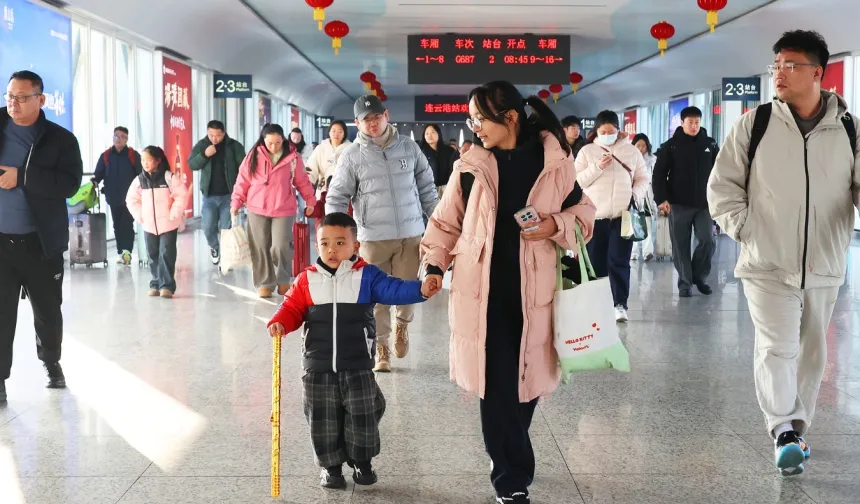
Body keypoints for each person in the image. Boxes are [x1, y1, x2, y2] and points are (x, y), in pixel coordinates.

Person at [422, 81, 596, 504]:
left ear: (510, 118)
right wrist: (433, 265)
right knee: (497, 385)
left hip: (537, 294)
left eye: (480, 119)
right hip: (483, 294)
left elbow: (585, 215)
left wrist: (553, 225)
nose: (474, 127)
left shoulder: (555, 162)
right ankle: (512, 478)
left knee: (527, 384)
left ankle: (506, 447)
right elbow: (445, 223)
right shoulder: (470, 166)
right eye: (471, 119)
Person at [708, 30, 860, 477]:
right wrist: (746, 230)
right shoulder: (754, 124)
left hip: (825, 263)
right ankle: (782, 430)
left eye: (791, 65)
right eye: (776, 64)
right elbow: (722, 188)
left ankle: (798, 426)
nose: (780, 73)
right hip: (766, 261)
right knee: (777, 347)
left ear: (818, 72)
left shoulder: (848, 128)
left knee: (812, 351)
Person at [267, 212, 440, 489]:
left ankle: (362, 462)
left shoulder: (367, 276)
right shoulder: (306, 280)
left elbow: (394, 289)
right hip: (317, 366)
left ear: (355, 246)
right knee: (322, 419)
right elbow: (290, 308)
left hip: (357, 363)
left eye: (339, 243)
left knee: (363, 415)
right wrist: (279, 322)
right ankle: (331, 468)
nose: (331, 250)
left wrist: (422, 289)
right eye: (324, 244)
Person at [326, 95, 438, 372]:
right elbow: (338, 196)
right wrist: (336, 235)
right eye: (366, 120)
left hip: (411, 233)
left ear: (386, 115)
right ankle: (382, 346)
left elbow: (427, 188)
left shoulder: (409, 148)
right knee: (375, 295)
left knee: (410, 288)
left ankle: (402, 326)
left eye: (376, 117)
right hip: (372, 237)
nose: (373, 124)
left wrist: (437, 223)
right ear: (357, 123)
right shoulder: (351, 156)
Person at [0, 70, 83, 401]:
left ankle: (51, 362)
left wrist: (22, 177)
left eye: (22, 97)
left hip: (40, 243)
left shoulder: (61, 140)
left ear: (41, 99)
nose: (13, 104)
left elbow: (69, 184)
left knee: (48, 311)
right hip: (1, 242)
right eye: (9, 96)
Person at [574, 110, 648, 322]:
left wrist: (635, 194)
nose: (607, 134)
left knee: (619, 260)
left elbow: (643, 178)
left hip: (622, 216)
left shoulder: (631, 152)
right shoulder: (587, 152)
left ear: (618, 130)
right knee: (594, 262)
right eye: (603, 131)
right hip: (594, 217)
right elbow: (577, 181)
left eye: (612, 131)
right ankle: (594, 304)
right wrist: (598, 167)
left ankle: (619, 304)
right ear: (596, 131)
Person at [232, 123, 316, 298]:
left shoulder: (293, 157)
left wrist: (310, 200)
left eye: (277, 142)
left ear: (283, 139)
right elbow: (242, 181)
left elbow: (302, 181)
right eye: (270, 143)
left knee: (281, 246)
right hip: (256, 207)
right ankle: (265, 283)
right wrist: (236, 202)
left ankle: (283, 279)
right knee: (260, 246)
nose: (274, 146)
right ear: (263, 140)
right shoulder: (253, 156)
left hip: (283, 208)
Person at [653, 107, 719, 297]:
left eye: (697, 122)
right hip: (679, 203)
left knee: (707, 240)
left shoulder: (710, 144)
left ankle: (699, 276)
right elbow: (658, 175)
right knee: (680, 245)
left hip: (704, 204)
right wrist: (662, 199)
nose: (694, 125)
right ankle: (685, 283)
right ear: (682, 123)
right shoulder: (670, 146)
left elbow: (720, 171)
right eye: (690, 122)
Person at [126, 146, 188, 299]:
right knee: (152, 254)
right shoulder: (140, 180)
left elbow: (182, 195)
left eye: (149, 160)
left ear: (158, 161)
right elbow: (131, 199)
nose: (145, 163)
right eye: (143, 160)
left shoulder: (169, 178)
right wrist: (140, 216)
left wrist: (174, 213)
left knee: (166, 253)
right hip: (149, 225)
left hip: (168, 223)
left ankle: (166, 285)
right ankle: (155, 283)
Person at [188, 120, 246, 266]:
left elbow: (244, 168)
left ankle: (225, 257)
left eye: (217, 135)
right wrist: (204, 154)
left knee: (226, 228)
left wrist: (243, 194)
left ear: (223, 133)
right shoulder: (202, 145)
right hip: (209, 196)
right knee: (207, 226)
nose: (214, 138)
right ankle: (214, 247)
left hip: (229, 196)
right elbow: (191, 164)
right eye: (210, 135)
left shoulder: (233, 146)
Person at [91, 126, 142, 265]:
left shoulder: (133, 155)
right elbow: (98, 173)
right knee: (117, 225)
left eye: (121, 137)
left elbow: (141, 175)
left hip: (130, 198)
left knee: (127, 223)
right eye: (115, 136)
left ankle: (127, 251)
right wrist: (94, 182)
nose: (117, 139)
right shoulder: (106, 155)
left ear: (126, 139)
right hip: (113, 196)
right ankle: (120, 252)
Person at [631, 133, 657, 262]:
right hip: (635, 195)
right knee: (635, 223)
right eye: (638, 145)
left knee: (647, 224)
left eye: (643, 145)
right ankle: (634, 252)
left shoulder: (653, 160)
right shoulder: (629, 159)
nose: (641, 148)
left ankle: (648, 252)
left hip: (648, 196)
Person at [306, 120, 352, 190]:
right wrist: (306, 183)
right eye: (333, 131)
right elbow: (311, 167)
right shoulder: (320, 148)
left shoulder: (350, 149)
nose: (336, 134)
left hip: (344, 190)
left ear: (344, 134)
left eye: (340, 132)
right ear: (329, 132)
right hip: (323, 189)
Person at [419, 123, 459, 198]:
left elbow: (454, 169)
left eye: (433, 132)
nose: (429, 135)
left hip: (447, 187)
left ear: (438, 134)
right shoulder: (420, 152)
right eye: (427, 133)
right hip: (428, 190)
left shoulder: (449, 151)